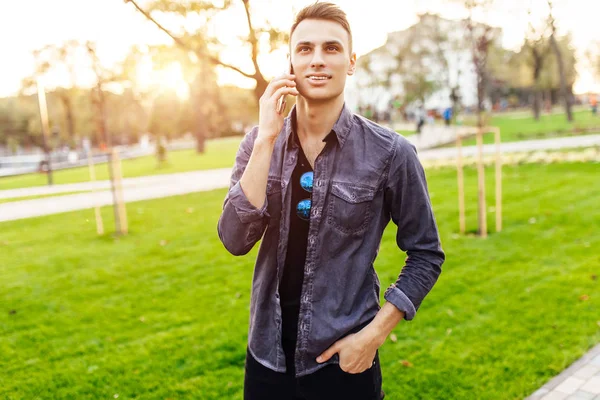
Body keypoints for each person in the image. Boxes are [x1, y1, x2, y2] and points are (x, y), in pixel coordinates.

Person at [217, 3, 445, 400]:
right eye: (304, 49)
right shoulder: (259, 143)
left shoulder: (391, 153)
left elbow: (426, 253)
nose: (317, 60)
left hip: (343, 365)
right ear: (290, 61)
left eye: (331, 48)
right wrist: (267, 139)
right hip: (266, 361)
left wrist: (373, 337)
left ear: (351, 62)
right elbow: (235, 240)